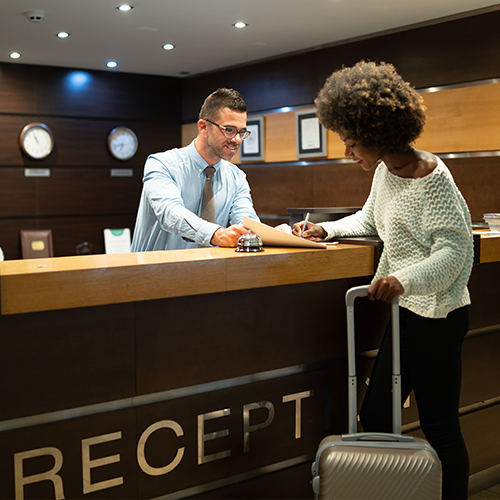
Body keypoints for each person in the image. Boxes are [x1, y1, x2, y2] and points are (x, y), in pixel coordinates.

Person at [295, 61, 473, 500]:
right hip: (408, 313)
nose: (347, 151)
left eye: (351, 142)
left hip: (440, 314)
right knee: (375, 418)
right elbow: (370, 217)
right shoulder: (383, 173)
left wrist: (401, 279)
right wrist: (329, 229)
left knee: (440, 427)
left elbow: (455, 252)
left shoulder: (433, 177)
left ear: (376, 135)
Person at [131, 88, 259, 251]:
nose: (236, 139)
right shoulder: (161, 163)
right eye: (229, 130)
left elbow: (246, 223)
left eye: (241, 132)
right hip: (153, 273)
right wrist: (216, 234)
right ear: (203, 126)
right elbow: (170, 214)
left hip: (210, 273)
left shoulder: (237, 177)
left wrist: (277, 234)